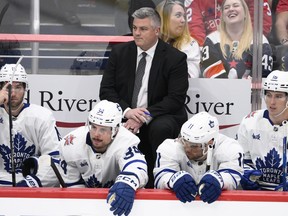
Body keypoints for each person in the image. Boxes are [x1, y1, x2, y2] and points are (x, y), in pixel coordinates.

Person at [99, 7, 188, 188]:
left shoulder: (175, 58)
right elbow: (106, 91)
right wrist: (129, 112)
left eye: (143, 29)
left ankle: (160, 182)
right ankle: (108, 182)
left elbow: (175, 99)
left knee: (160, 128)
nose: (137, 33)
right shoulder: (119, 53)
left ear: (157, 30)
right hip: (127, 111)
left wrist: (143, 116)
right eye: (134, 28)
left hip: (161, 114)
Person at [59, 100, 148, 216]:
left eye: (103, 130)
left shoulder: (126, 140)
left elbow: (137, 166)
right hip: (86, 202)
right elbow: (72, 188)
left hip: (118, 197)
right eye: (94, 127)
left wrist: (127, 183)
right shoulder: (70, 143)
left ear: (115, 130)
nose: (96, 134)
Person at [154, 111, 244, 203]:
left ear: (210, 142)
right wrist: (174, 179)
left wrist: (219, 180)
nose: (187, 149)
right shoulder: (170, 147)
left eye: (193, 146)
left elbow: (233, 177)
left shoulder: (230, 148)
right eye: (184, 141)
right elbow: (161, 176)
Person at [0, 63, 62, 187]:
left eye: (17, 87)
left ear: (25, 89)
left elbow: (55, 160)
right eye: (8, 88)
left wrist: (28, 185)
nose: (12, 93)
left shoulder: (42, 116)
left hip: (31, 188)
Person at [237, 70, 288, 191]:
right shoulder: (249, 121)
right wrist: (246, 174)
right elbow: (241, 158)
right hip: (257, 196)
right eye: (269, 95)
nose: (272, 102)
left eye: (278, 96)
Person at [200, 0, 273, 78]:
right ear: (222, 16)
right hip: (219, 89)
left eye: (235, 5)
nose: (231, 9)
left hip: (249, 90)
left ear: (245, 13)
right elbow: (212, 74)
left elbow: (262, 74)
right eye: (226, 7)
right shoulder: (212, 40)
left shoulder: (260, 40)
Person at [185, 0, 272, 47]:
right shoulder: (193, 1)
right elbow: (195, 31)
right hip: (210, 48)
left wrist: (242, 45)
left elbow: (262, 25)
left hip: (247, 46)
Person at [156, 0, 201, 78]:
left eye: (184, 16)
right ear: (163, 18)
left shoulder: (189, 44)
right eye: (178, 15)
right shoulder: (150, 42)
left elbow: (190, 77)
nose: (183, 20)